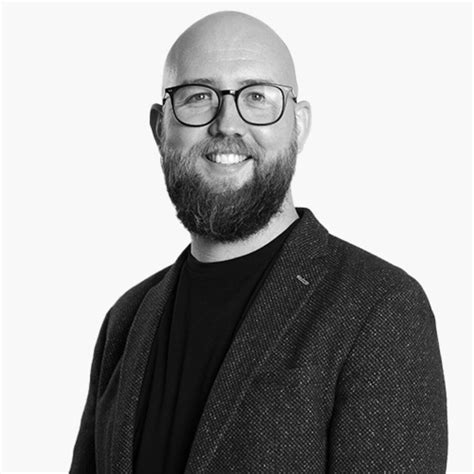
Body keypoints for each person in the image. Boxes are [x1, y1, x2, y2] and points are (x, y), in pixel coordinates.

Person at [70, 11, 448, 473]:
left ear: (299, 126)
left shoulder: (379, 309)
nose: (228, 123)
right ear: (160, 127)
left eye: (257, 96)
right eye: (199, 96)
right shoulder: (127, 319)